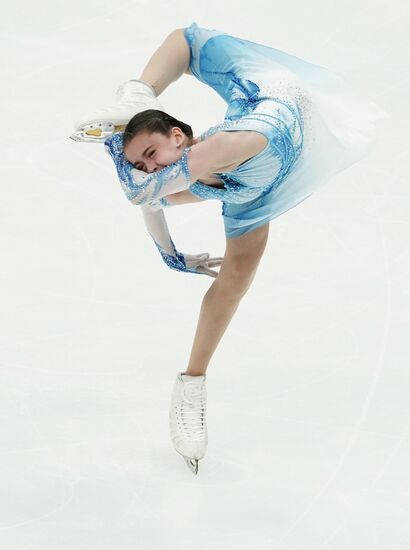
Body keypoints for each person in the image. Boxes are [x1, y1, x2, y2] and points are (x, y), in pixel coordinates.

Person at [70, 22, 389, 474]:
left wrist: (121, 128)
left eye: (150, 153)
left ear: (178, 136)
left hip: (277, 102)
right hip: (252, 193)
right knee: (234, 281)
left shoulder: (210, 150)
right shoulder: (187, 171)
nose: (147, 167)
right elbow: (151, 201)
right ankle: (192, 384)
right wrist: (171, 254)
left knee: (189, 41)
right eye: (140, 163)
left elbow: (143, 194)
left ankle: (138, 97)